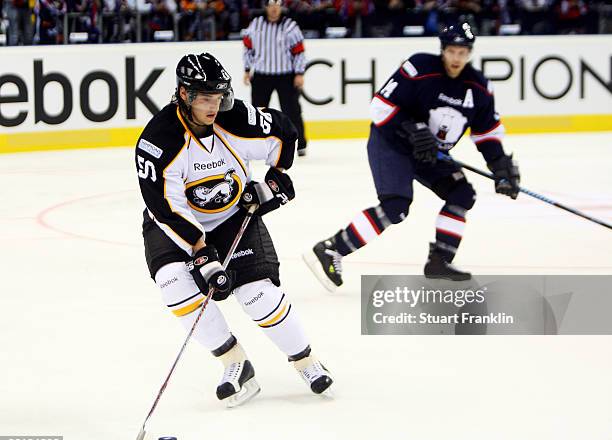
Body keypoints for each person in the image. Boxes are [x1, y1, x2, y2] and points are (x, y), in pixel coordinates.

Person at [135, 52, 333, 407]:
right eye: (206, 97)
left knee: (256, 295)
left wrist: (275, 179)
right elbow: (166, 207)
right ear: (184, 94)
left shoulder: (235, 117)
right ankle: (235, 363)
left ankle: (306, 360)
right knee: (173, 284)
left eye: (219, 96)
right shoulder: (158, 141)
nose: (215, 105)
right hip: (173, 225)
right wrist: (201, 252)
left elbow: (285, 132)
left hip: (231, 218)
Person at [304, 23, 520, 290]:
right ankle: (332, 248)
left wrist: (501, 167)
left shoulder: (479, 88)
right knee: (396, 206)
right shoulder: (420, 68)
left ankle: (439, 262)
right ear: (443, 49)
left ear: (469, 53)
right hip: (392, 143)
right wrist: (413, 128)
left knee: (462, 194)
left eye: (462, 52)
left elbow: (486, 133)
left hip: (430, 154)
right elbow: (380, 106)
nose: (456, 58)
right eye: (452, 51)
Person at [242, 0, 308, 157]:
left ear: (281, 7)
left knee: (291, 111)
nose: (274, 9)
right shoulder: (256, 24)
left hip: (285, 75)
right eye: (271, 5)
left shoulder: (290, 26)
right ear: (266, 7)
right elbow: (248, 47)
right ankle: (256, 143)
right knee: (257, 112)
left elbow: (299, 51)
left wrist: (299, 73)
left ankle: (300, 144)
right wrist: (247, 69)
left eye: (277, 5)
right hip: (262, 75)